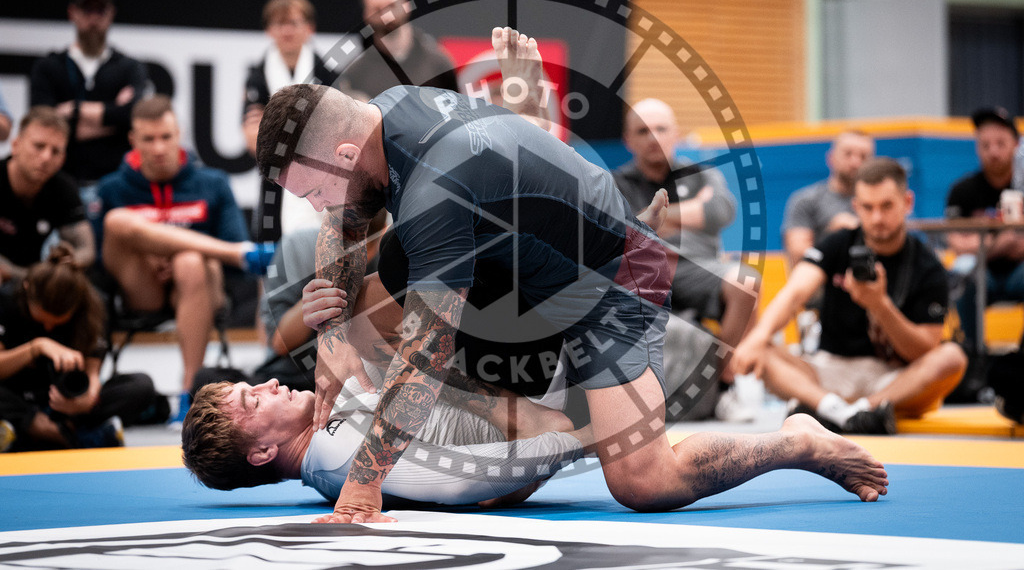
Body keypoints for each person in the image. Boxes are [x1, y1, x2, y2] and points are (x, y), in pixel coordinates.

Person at [254, 26, 889, 523]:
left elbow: (427, 350)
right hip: (526, 262)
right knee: (364, 307)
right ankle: (538, 426)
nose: (318, 209)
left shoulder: (431, 193)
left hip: (614, 277)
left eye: (312, 191)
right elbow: (346, 217)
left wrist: (363, 485)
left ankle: (796, 442)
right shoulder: (385, 110)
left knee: (645, 482)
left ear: (346, 152)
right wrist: (332, 334)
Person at [731, 157, 967, 434]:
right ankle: (840, 411)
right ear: (855, 207)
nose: (877, 218)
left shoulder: (928, 265)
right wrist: (757, 338)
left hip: (892, 379)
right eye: (867, 207)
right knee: (760, 346)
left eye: (886, 206)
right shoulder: (837, 243)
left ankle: (855, 410)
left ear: (907, 202)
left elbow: (923, 350)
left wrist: (880, 306)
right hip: (829, 372)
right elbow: (795, 293)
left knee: (952, 357)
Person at [93, 96, 275, 421]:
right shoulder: (111, 189)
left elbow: (235, 261)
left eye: (166, 136)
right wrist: (149, 253)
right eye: (148, 139)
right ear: (133, 140)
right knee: (116, 222)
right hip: (142, 289)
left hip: (200, 286)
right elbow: (100, 263)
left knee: (189, 261)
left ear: (179, 134)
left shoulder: (213, 182)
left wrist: (178, 251)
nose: (159, 147)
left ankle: (189, 393)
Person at [182, 374, 587, 507]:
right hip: (536, 409)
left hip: (529, 390)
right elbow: (464, 480)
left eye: (252, 385)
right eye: (254, 400)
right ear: (263, 452)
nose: (270, 383)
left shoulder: (325, 433)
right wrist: (589, 439)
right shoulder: (335, 455)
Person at [613, 98, 759, 421]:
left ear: (676, 133)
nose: (653, 137)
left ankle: (725, 386)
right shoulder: (615, 182)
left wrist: (656, 216)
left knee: (747, 282)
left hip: (696, 269)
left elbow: (721, 211)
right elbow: (619, 229)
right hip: (643, 276)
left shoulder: (701, 175)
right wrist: (693, 211)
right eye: (643, 131)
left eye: (661, 129)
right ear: (628, 139)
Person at [0, 243, 153, 452]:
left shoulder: (93, 304)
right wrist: (37, 347)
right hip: (18, 396)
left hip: (67, 400)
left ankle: (36, 436)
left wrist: (86, 399)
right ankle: (60, 434)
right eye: (42, 320)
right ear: (27, 289)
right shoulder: (7, 299)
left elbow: (93, 372)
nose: (48, 328)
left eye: (57, 323)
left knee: (140, 386)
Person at [29, 0, 149, 190]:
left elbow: (133, 116)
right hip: (59, 184)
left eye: (100, 10)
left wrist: (72, 110)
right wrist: (113, 117)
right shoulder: (49, 66)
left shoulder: (130, 67)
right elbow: (42, 123)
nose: (93, 17)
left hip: (116, 185)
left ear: (111, 14)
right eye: (87, 9)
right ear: (72, 13)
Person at [243, 0, 341, 244]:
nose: (287, 31)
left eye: (294, 23)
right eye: (279, 24)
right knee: (272, 251)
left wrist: (274, 131)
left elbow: (337, 134)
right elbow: (252, 140)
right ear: (269, 30)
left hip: (320, 180)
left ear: (309, 28)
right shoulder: (257, 77)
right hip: (273, 182)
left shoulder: (327, 74)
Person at [946, 106, 1024, 355]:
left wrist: (980, 242)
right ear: (977, 147)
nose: (993, 152)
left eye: (1001, 143)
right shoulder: (962, 190)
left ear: (1015, 144)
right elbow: (957, 244)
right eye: (985, 145)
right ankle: (973, 356)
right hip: (981, 274)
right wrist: (1004, 242)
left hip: (1018, 273)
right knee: (962, 277)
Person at [0, 107, 95, 287]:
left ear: (63, 159)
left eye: (55, 151)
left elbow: (86, 249)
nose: (46, 157)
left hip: (37, 282)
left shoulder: (63, 188)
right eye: (39, 146)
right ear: (16, 145)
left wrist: (70, 260)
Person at [338, 0, 458, 97]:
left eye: (392, 6)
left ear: (406, 5)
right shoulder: (356, 73)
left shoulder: (438, 63)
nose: (387, 16)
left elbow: (457, 105)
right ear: (366, 15)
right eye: (377, 10)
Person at [782, 130, 875, 268]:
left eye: (863, 156)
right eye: (848, 154)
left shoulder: (878, 204)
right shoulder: (805, 200)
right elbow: (798, 258)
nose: (855, 162)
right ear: (831, 158)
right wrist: (832, 235)